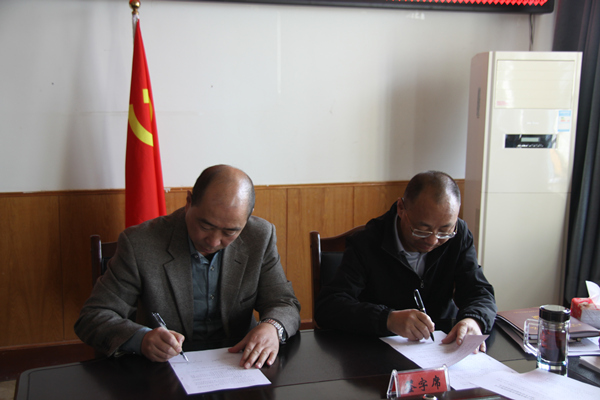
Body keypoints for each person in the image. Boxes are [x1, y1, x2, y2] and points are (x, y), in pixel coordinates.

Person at [75, 165, 301, 368]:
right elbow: (93, 316)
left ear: (247, 219)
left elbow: (284, 302)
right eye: (205, 225)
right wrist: (141, 339)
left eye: (230, 231)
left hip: (238, 364)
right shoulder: (140, 243)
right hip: (165, 370)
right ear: (189, 202)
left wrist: (273, 327)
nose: (213, 241)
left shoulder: (259, 236)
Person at [314, 171, 496, 352]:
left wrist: (474, 320)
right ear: (401, 208)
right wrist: (387, 319)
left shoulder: (459, 236)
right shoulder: (367, 242)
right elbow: (329, 307)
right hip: (380, 351)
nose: (433, 240)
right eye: (422, 229)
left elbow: (479, 292)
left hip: (443, 347)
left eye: (444, 231)